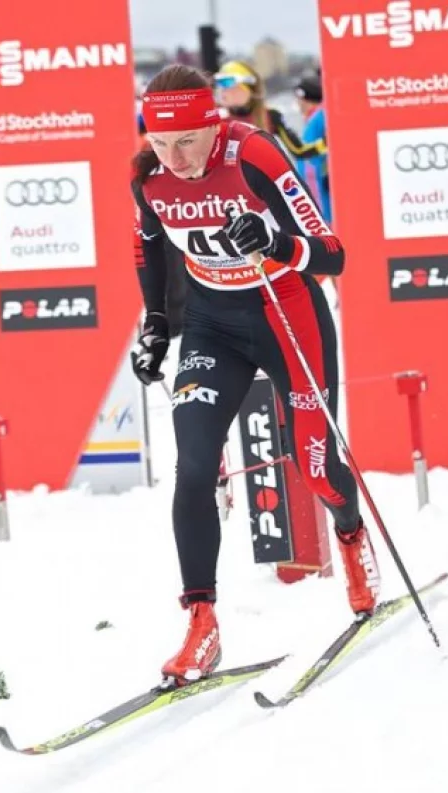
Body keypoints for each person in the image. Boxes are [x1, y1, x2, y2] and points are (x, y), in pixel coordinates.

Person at [130, 64, 378, 687]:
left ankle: (351, 538)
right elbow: (151, 246)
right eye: (161, 143)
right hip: (214, 324)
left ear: (212, 124)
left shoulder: (254, 154)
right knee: (192, 464)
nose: (176, 157)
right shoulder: (149, 176)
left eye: (187, 140)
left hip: (285, 312)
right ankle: (201, 620)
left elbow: (331, 253)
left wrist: (274, 239)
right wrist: (157, 323)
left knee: (315, 466)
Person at [293, 74, 330, 224]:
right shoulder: (318, 116)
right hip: (318, 187)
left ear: (304, 97)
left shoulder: (317, 119)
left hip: (319, 192)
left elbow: (309, 160)